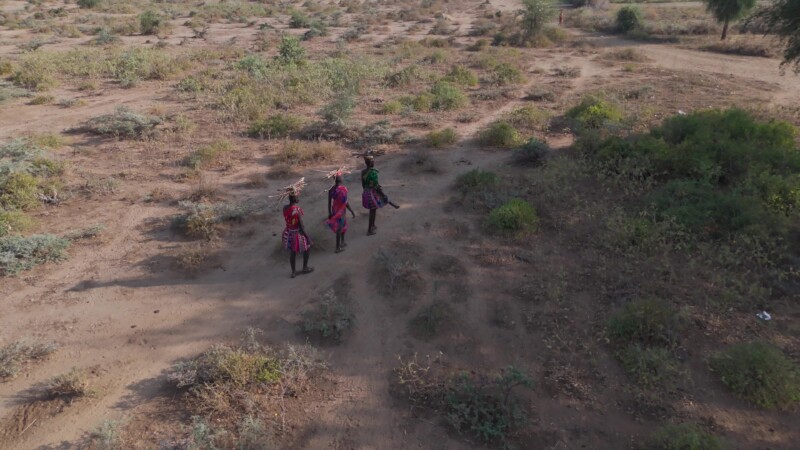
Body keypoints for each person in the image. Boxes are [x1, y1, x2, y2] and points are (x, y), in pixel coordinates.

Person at [361, 155, 399, 236]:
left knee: (373, 210)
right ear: (370, 163)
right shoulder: (373, 173)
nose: (374, 162)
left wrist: (367, 190)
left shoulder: (363, 172)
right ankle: (369, 230)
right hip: (372, 193)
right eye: (373, 161)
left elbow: (363, 185)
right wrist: (382, 194)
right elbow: (376, 185)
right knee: (372, 211)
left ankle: (373, 225)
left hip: (366, 192)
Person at [282, 192, 313, 278]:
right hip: (296, 233)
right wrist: (307, 237)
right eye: (297, 197)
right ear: (294, 199)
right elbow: (301, 226)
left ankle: (293, 272)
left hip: (288, 232)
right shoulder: (297, 210)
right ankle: (305, 268)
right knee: (307, 247)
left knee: (293, 252)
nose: (298, 198)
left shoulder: (285, 208)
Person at [326, 174, 356, 253]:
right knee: (340, 228)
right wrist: (351, 211)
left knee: (343, 226)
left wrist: (330, 213)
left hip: (335, 210)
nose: (342, 177)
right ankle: (337, 247)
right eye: (341, 176)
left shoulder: (331, 190)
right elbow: (346, 202)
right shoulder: (343, 189)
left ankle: (342, 242)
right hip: (341, 211)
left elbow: (329, 203)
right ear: (339, 179)